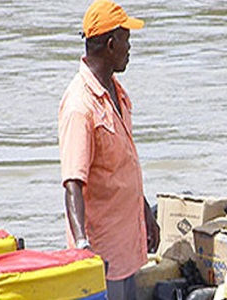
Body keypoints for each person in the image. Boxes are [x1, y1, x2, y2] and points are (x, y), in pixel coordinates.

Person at [57, 1, 159, 299]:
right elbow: (73, 183)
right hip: (103, 256)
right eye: (127, 39)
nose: (130, 47)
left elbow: (120, 164)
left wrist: (144, 211)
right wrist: (81, 247)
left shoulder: (115, 91)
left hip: (127, 243)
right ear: (112, 45)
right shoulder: (80, 106)